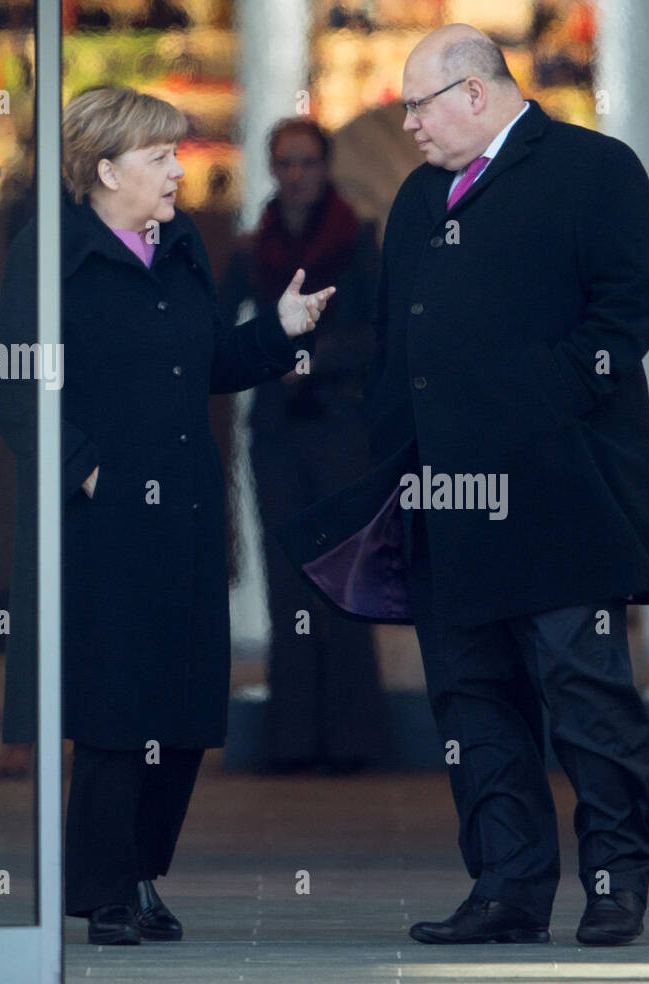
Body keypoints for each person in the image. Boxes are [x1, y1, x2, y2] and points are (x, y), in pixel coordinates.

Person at [278, 24, 649, 946]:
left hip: (564, 494)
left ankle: (615, 881)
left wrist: (530, 409)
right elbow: (391, 340)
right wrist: (397, 446)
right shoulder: (417, 198)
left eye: (418, 103)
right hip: (446, 503)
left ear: (478, 95)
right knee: (474, 702)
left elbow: (630, 311)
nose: (405, 121)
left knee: (585, 696)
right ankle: (507, 888)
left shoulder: (593, 169)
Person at [0, 86, 333, 945]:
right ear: (105, 170)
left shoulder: (178, 246)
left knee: (180, 707)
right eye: (160, 157)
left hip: (182, 506)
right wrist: (86, 471)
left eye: (177, 153)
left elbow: (211, 358)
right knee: (113, 706)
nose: (181, 169)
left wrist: (281, 331)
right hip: (100, 520)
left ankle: (141, 871)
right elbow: (12, 381)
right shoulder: (50, 254)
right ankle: (105, 890)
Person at [220, 118, 386, 773]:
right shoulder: (249, 248)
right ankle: (291, 740)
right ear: (271, 167)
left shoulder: (358, 241)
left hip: (342, 425)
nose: (295, 174)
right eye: (285, 162)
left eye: (306, 162)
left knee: (344, 577)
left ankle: (352, 740)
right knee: (288, 582)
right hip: (280, 433)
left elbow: (381, 333)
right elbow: (216, 329)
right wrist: (268, 359)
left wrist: (312, 360)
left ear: (325, 166)